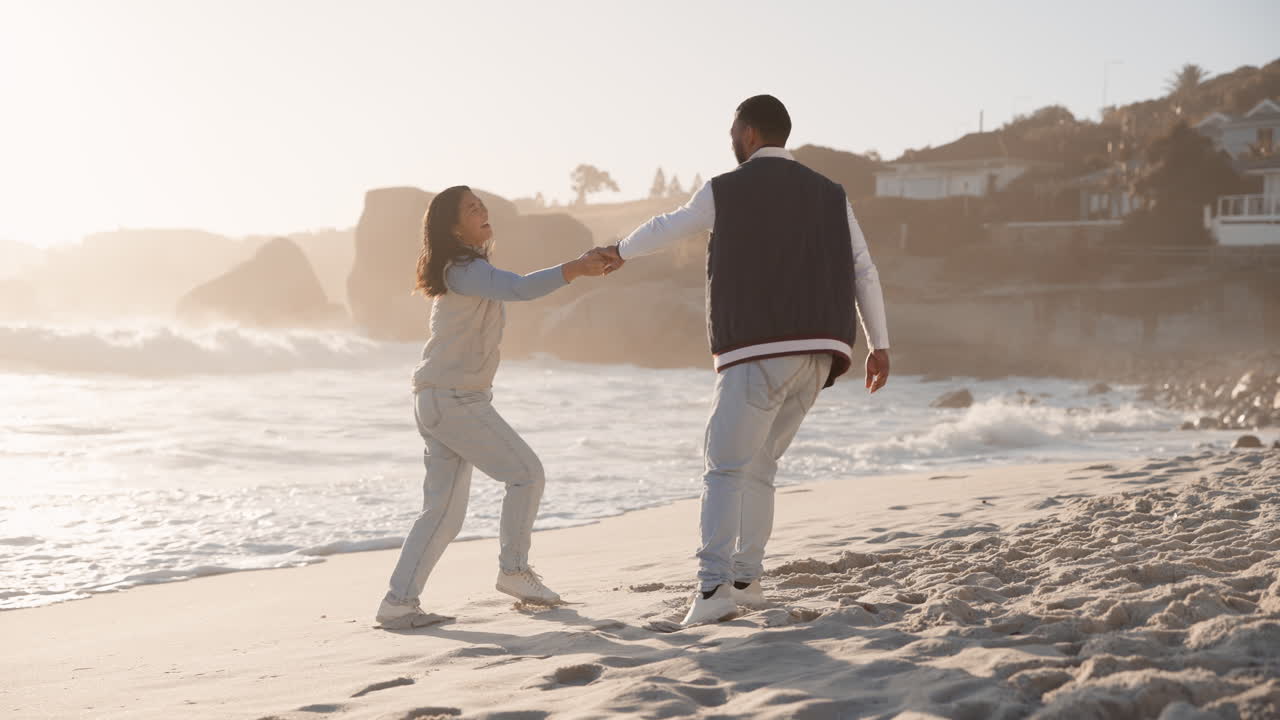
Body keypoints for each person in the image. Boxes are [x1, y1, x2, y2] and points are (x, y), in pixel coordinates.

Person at [599, 95, 891, 626]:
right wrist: (879, 345)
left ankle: (713, 591)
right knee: (761, 466)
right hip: (820, 355)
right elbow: (863, 269)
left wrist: (620, 250)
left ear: (750, 134)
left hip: (758, 350)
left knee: (724, 466)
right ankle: (747, 580)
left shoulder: (726, 190)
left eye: (733, 129)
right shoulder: (832, 194)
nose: (730, 138)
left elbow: (673, 224)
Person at [376, 185, 617, 629]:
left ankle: (398, 603)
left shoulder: (470, 269)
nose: (482, 211)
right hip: (452, 400)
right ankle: (514, 571)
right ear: (453, 227)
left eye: (481, 204)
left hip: (440, 398)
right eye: (471, 209)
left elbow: (510, 291)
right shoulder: (462, 269)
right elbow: (521, 289)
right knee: (526, 475)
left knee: (443, 516)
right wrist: (577, 268)